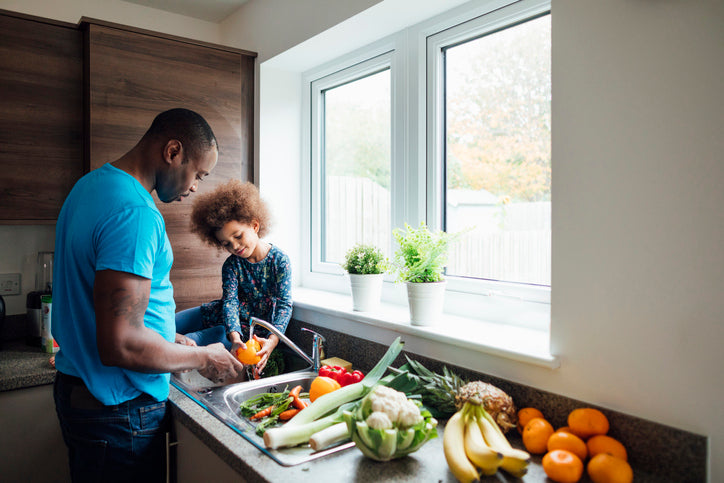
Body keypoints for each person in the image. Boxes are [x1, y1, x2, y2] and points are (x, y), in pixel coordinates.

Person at [52, 108, 245, 483]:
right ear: (173, 151)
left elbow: (104, 311)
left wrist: (164, 335)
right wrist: (201, 355)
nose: (195, 189)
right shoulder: (135, 214)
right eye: (198, 174)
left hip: (81, 395)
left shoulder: (89, 187)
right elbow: (122, 345)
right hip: (119, 412)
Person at [175, 179, 292, 377]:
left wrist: (271, 341)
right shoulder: (231, 265)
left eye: (238, 236)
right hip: (222, 320)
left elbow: (284, 306)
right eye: (226, 244)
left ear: (255, 225)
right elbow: (229, 302)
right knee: (164, 324)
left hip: (237, 333)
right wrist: (234, 335)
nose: (235, 247)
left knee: (188, 342)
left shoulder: (280, 261)